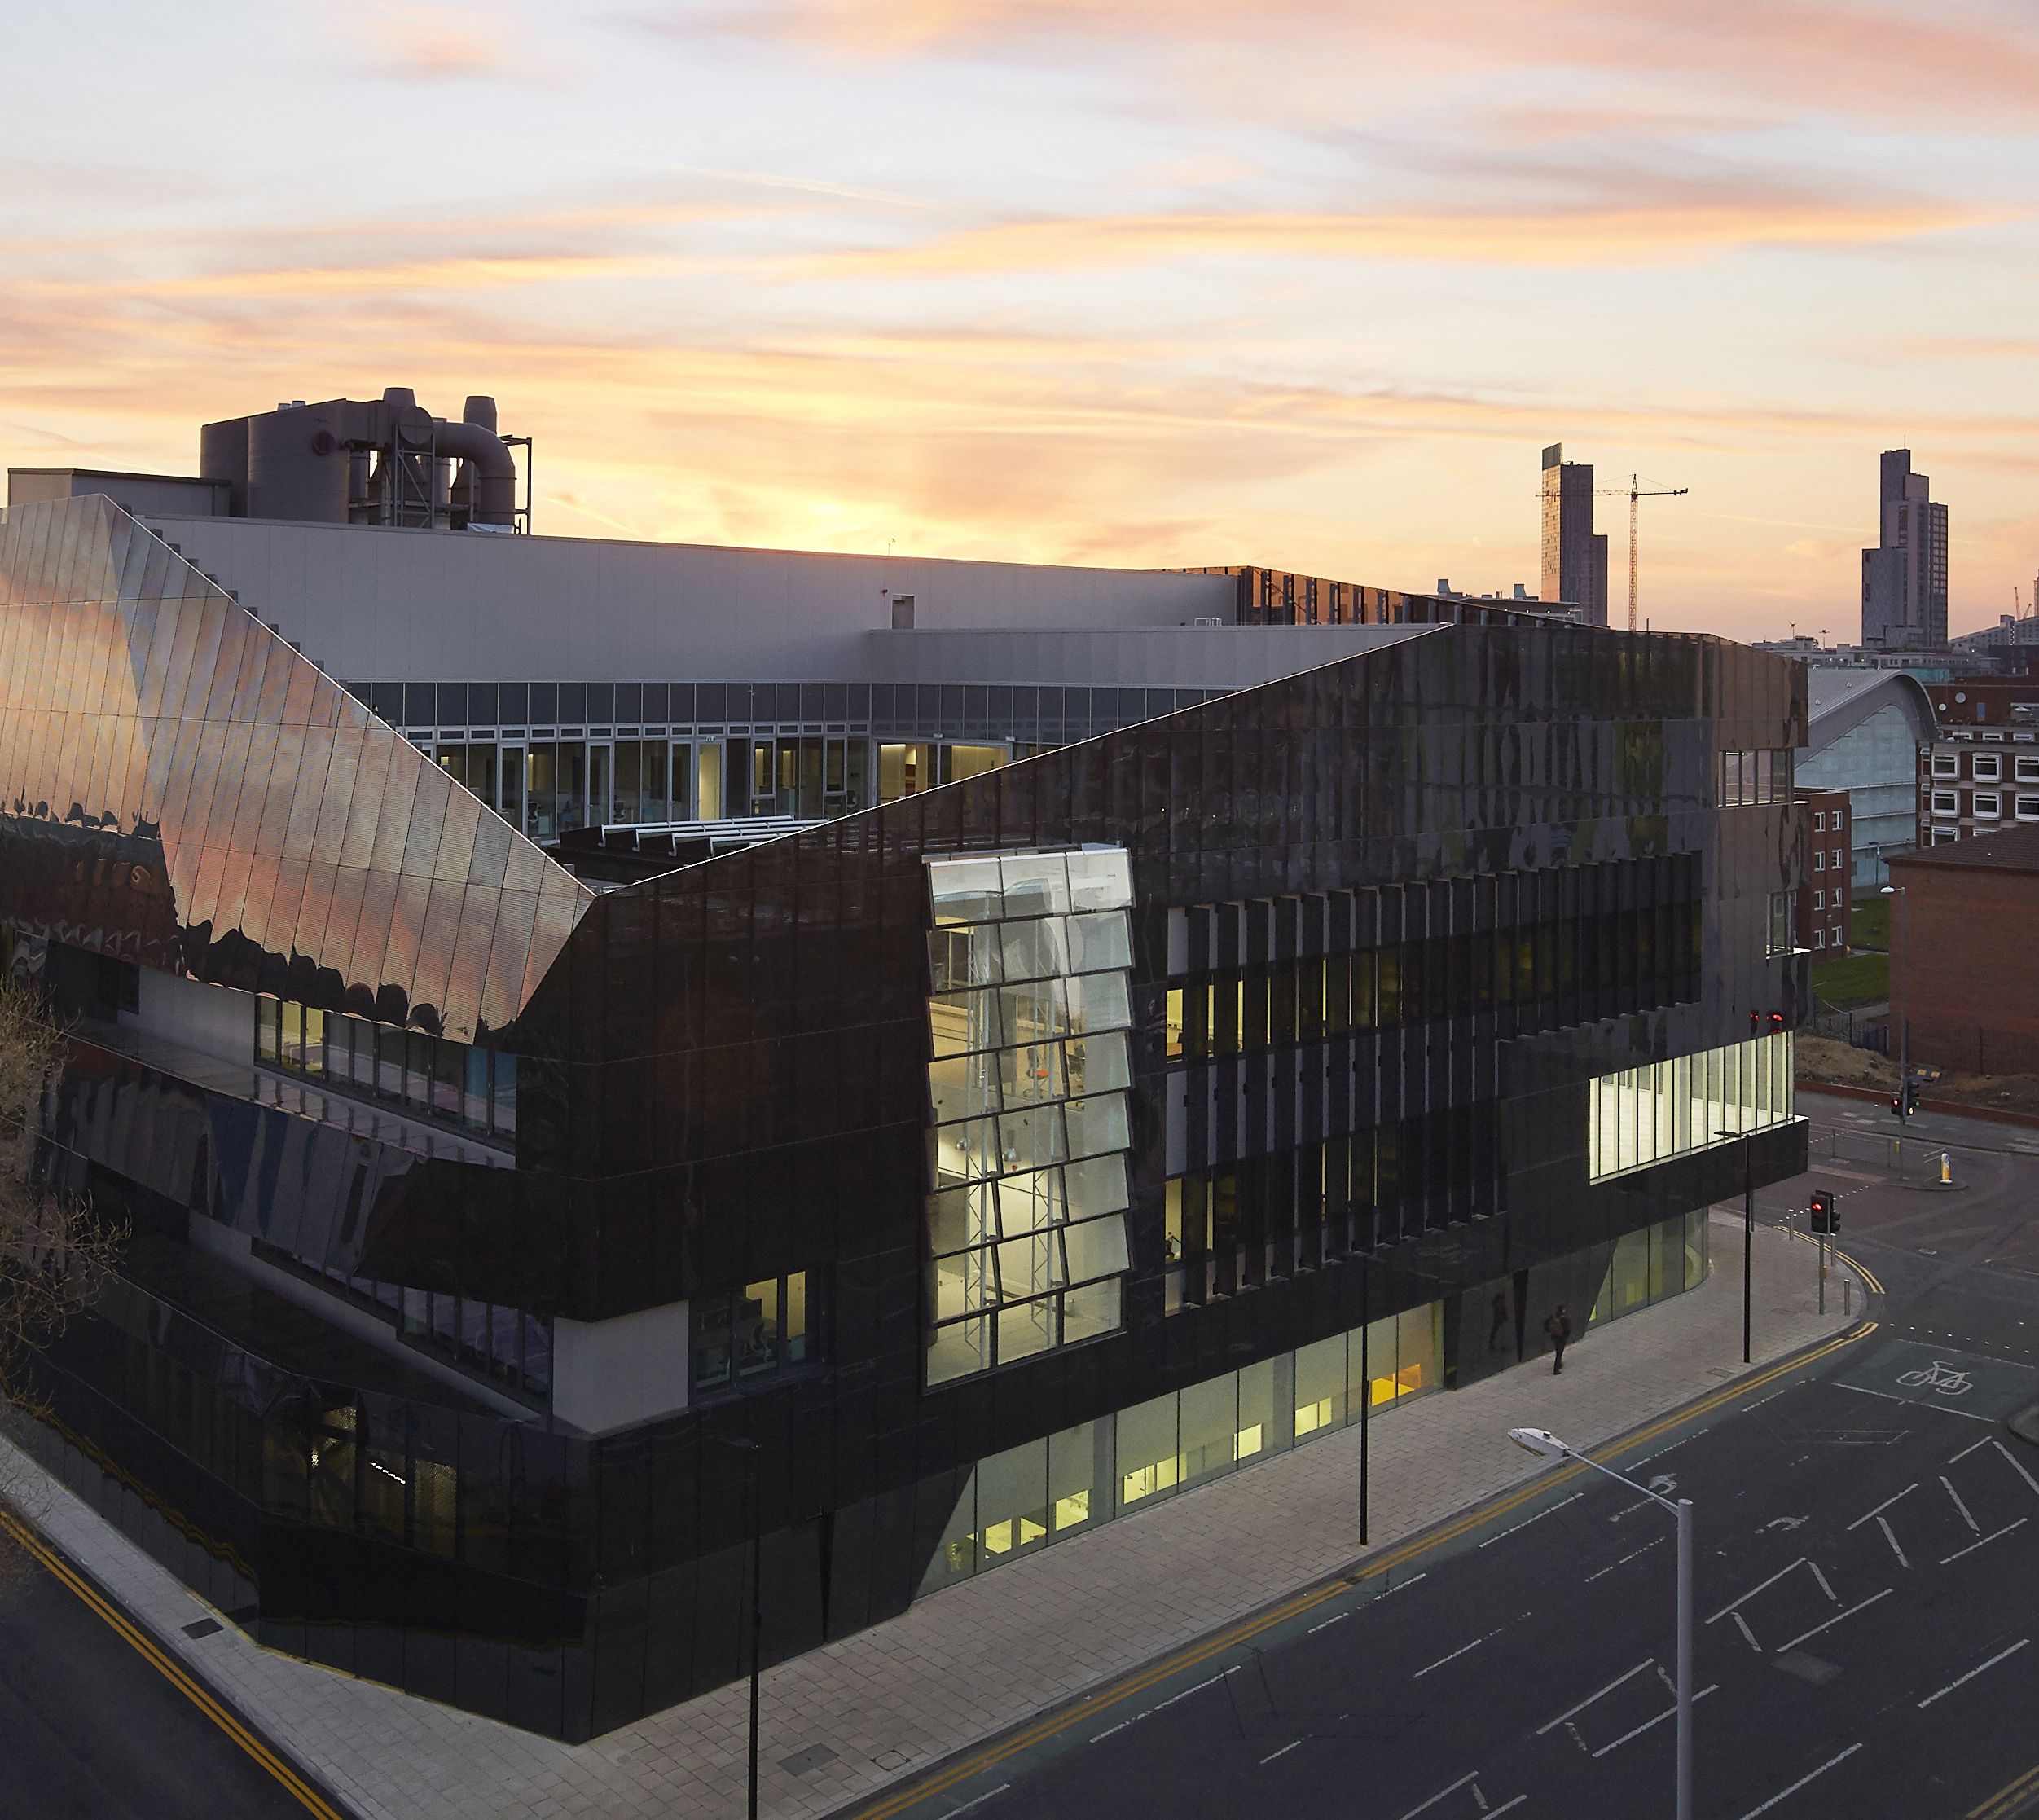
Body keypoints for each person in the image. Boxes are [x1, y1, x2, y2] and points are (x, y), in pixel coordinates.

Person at [1545, 1304, 1573, 1374]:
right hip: (1561, 1338)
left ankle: (1559, 1364)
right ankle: (1556, 1369)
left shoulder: (1553, 1317)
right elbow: (1568, 1328)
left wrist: (1549, 1332)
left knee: (1558, 1350)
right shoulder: (1564, 1319)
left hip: (1554, 1337)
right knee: (1559, 1353)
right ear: (1563, 1310)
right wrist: (1565, 1336)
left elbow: (1546, 1325)